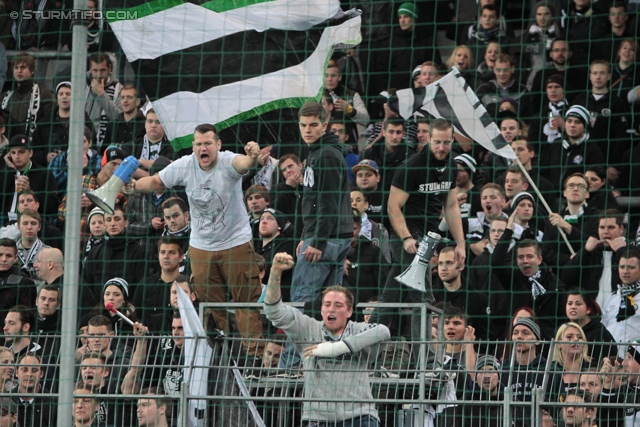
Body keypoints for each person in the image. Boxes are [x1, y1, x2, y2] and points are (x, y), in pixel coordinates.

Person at [131, 122, 265, 358]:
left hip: (236, 242)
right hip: (201, 247)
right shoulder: (185, 165)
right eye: (199, 144)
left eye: (208, 143)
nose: (203, 148)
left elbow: (244, 164)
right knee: (210, 307)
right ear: (193, 146)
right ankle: (224, 359)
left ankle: (254, 359)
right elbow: (156, 182)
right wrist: (134, 186)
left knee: (245, 302)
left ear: (218, 145)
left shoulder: (227, 161)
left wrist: (252, 157)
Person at [264, 251, 390, 426]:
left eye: (338, 305)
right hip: (318, 418)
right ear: (321, 309)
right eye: (327, 304)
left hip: (359, 416)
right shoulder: (308, 328)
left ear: (349, 312)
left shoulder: (358, 329)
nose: (331, 310)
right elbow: (273, 311)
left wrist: (335, 349)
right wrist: (275, 272)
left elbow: (383, 331)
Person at [370, 118, 465, 342]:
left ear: (452, 140)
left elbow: (450, 206)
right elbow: (393, 207)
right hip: (408, 234)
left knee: (389, 297)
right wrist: (406, 238)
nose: (442, 147)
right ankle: (425, 363)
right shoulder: (411, 166)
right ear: (428, 140)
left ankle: (364, 350)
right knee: (423, 298)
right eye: (437, 142)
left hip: (428, 236)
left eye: (446, 142)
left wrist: (461, 243)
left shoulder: (451, 165)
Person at [82, 205, 146, 310]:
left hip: (127, 315)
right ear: (104, 223)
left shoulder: (138, 251)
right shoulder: (95, 252)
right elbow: (87, 286)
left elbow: (140, 286)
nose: (112, 223)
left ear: (126, 223)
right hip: (98, 315)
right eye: (108, 219)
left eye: (117, 219)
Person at [561, 209, 628, 307]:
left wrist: (621, 251)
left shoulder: (631, 251)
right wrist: (585, 251)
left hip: (621, 312)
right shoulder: (591, 252)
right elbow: (566, 277)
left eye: (611, 227)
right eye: (602, 227)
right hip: (592, 313)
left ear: (621, 229)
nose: (605, 232)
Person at [542, 173, 600, 268]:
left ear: (587, 194)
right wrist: (570, 258)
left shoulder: (597, 217)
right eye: (571, 185)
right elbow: (546, 253)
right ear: (565, 193)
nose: (575, 188)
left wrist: (568, 227)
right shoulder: (553, 221)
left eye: (581, 186)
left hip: (588, 273)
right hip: (561, 277)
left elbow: (595, 245)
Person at [0, 134, 58, 224]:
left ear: (30, 153)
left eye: (21, 152)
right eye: (13, 152)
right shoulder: (5, 173)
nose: (17, 156)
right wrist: (10, 171)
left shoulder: (44, 174)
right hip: (5, 222)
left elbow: (53, 207)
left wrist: (31, 191)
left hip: (33, 224)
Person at [0, 53, 54, 141]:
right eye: (16, 67)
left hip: (33, 146)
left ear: (32, 70)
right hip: (7, 148)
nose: (19, 71)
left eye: (23, 67)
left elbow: (48, 125)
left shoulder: (44, 94)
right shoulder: (4, 97)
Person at [602, 248, 640, 357]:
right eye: (622, 267)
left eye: (631, 267)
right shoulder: (612, 297)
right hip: (611, 358)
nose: (625, 271)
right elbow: (604, 327)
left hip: (635, 361)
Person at [565, 289, 617, 363]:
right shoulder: (563, 331)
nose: (573, 307)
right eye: (569, 303)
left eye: (578, 304)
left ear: (588, 309)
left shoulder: (601, 334)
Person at [85, 52, 123, 152]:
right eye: (95, 70)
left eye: (102, 70)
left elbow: (119, 117)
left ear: (109, 68)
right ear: (90, 69)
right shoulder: (82, 86)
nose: (98, 75)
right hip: (84, 142)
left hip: (108, 143)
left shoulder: (119, 89)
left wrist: (101, 94)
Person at [12, 352, 56, 427]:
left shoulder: (53, 403)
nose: (29, 374)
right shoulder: (6, 399)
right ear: (16, 373)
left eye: (34, 370)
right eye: (24, 370)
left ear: (41, 373)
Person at [551, 322, 592, 394]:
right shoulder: (551, 369)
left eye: (579, 337)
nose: (576, 339)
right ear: (559, 343)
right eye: (569, 337)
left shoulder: (591, 367)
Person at [16, 209, 49, 281]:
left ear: (39, 227)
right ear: (18, 227)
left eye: (33, 223)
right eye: (25, 223)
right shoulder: (9, 252)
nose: (29, 227)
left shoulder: (49, 253)